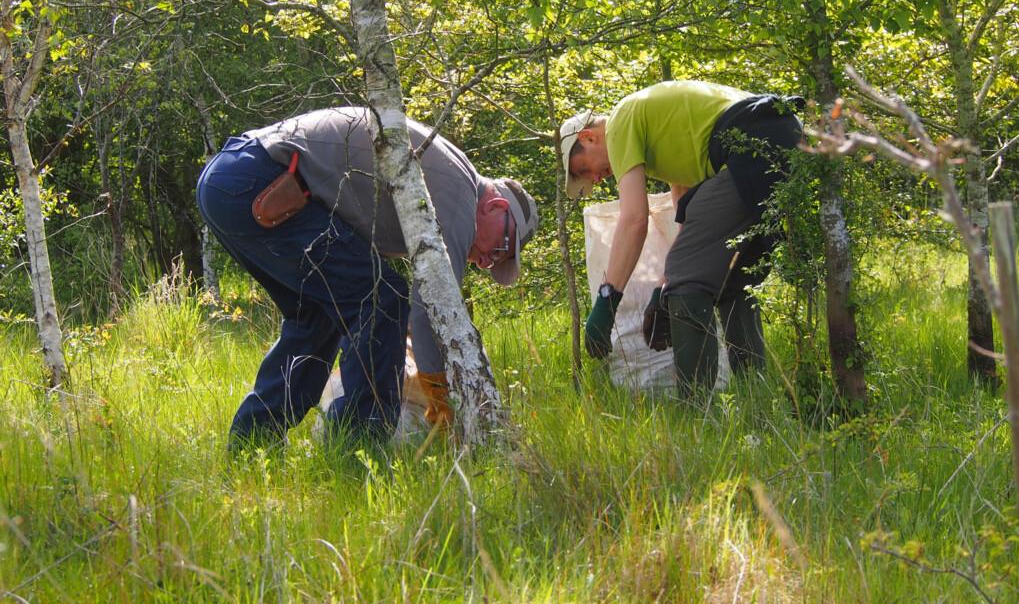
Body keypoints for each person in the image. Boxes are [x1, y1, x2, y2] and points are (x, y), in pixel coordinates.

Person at [196, 107, 539, 448]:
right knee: (381, 298)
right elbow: (428, 311)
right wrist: (441, 398)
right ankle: (358, 445)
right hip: (260, 182)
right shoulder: (462, 198)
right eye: (500, 249)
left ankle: (253, 443)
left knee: (316, 319)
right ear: (497, 208)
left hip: (232, 180)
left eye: (494, 264)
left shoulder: (452, 177)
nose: (484, 261)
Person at [560, 80, 803, 396]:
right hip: (783, 133)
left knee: (688, 280)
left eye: (584, 168)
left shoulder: (621, 123)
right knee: (732, 281)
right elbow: (689, 219)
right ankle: (758, 405)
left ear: (588, 137)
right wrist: (664, 285)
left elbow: (634, 219)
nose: (596, 178)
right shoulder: (668, 138)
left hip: (751, 140)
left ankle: (696, 414)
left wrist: (607, 302)